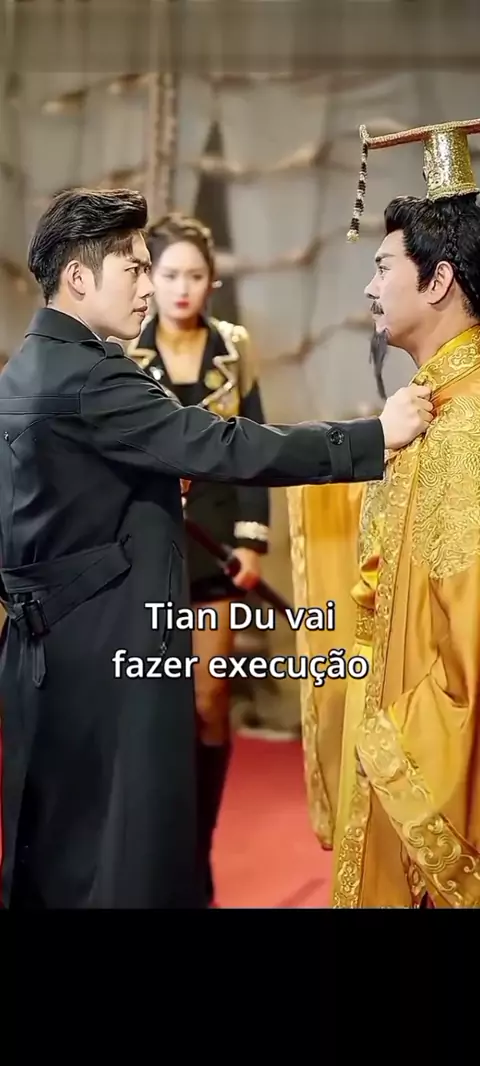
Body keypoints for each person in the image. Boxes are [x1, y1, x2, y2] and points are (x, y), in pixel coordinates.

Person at [0, 187, 431, 910]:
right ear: (78, 278)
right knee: (124, 850)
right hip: (107, 653)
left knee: (56, 847)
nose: (149, 286)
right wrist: (373, 437)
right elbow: (226, 444)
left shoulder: (24, 369)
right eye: (136, 268)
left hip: (42, 652)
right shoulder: (92, 376)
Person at [316, 117, 480, 908]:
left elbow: (469, 638)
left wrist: (391, 744)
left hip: (422, 761)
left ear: (439, 280)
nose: (370, 287)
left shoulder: (469, 425)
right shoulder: (430, 406)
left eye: (384, 267)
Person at [128, 212, 270, 908]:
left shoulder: (234, 349)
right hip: (143, 549)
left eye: (194, 275)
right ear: (149, 281)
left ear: (212, 281)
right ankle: (155, 856)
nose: (181, 287)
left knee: (209, 700)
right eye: (169, 274)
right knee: (149, 705)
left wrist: (251, 541)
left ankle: (196, 851)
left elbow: (255, 448)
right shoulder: (123, 354)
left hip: (215, 550)